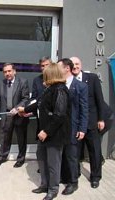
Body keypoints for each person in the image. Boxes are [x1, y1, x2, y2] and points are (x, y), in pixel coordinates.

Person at [18, 63, 71, 200]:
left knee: (53, 163)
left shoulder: (60, 90)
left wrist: (46, 131)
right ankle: (44, 184)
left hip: (54, 134)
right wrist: (25, 110)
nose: (43, 76)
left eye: (45, 74)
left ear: (51, 74)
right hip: (43, 133)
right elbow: (38, 103)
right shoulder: (49, 89)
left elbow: (59, 115)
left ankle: (53, 189)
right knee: (41, 158)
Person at [70, 56, 105, 188]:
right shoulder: (69, 81)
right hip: (76, 124)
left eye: (77, 64)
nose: (75, 66)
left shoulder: (92, 78)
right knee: (76, 151)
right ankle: (76, 173)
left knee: (94, 151)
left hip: (91, 122)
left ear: (81, 64)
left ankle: (95, 177)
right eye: (73, 64)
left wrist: (101, 119)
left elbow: (99, 100)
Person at [0, 63, 29, 168]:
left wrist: (17, 108)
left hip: (19, 114)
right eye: (5, 72)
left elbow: (25, 98)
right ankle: (2, 157)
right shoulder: (0, 84)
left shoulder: (23, 82)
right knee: (5, 137)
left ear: (14, 71)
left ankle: (21, 159)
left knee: (21, 138)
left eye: (9, 71)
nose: (7, 74)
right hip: (7, 115)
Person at [58, 58, 88, 195]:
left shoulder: (81, 86)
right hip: (59, 128)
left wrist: (82, 129)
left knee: (72, 156)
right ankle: (64, 177)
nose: (57, 70)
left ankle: (73, 182)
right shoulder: (58, 85)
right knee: (62, 154)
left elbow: (84, 109)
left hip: (73, 127)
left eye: (59, 67)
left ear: (67, 69)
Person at [31, 56, 52, 174]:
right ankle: (43, 166)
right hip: (41, 119)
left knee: (53, 147)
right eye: (42, 66)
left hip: (54, 120)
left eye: (46, 65)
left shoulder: (57, 80)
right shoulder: (37, 80)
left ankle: (51, 167)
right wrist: (28, 109)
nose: (44, 68)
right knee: (41, 145)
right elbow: (34, 98)